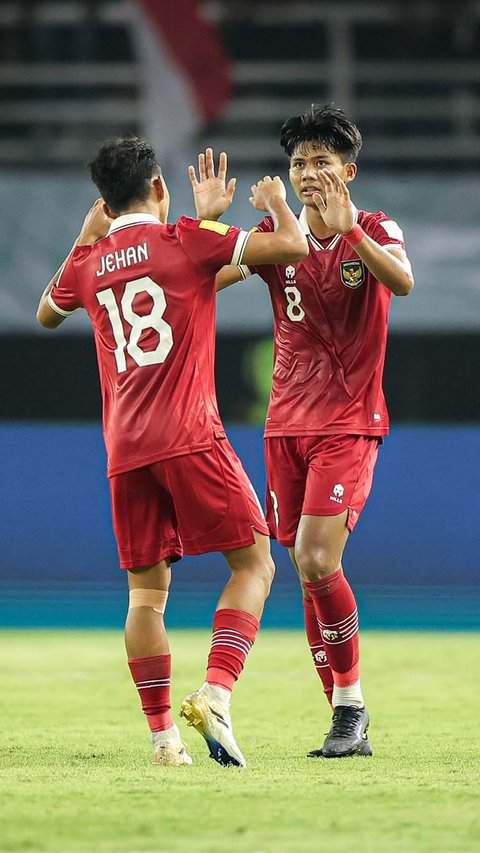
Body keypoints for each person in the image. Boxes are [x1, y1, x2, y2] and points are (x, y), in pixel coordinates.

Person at [36, 138, 308, 768]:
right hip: (189, 435)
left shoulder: (91, 263)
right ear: (159, 187)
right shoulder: (185, 238)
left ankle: (163, 739)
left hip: (124, 449)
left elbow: (48, 312)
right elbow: (288, 248)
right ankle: (216, 692)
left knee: (145, 596)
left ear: (104, 202)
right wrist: (271, 204)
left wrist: (84, 236)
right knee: (255, 565)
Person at [214, 105, 414, 758]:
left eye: (322, 161)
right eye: (299, 162)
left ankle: (351, 703)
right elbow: (208, 278)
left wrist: (353, 231)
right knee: (306, 568)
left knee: (317, 557)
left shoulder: (376, 227)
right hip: (284, 429)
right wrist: (221, 228)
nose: (308, 173)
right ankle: (342, 714)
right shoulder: (280, 236)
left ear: (348, 170)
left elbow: (403, 282)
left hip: (350, 422)